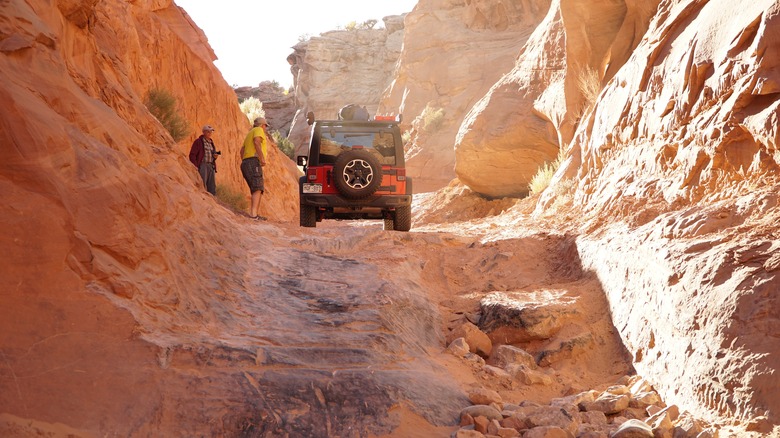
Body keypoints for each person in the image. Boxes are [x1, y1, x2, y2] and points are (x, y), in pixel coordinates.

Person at [240, 117, 270, 220]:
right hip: (253, 161)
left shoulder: (249, 133)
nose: (265, 128)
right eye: (265, 126)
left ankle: (254, 214)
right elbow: (257, 142)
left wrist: (245, 160)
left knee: (255, 188)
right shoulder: (258, 130)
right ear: (262, 125)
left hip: (245, 162)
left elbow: (242, 150)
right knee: (257, 188)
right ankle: (253, 215)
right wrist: (261, 158)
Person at [188, 125, 218, 195]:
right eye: (208, 132)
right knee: (202, 184)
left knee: (212, 186)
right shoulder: (198, 142)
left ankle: (213, 202)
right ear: (203, 132)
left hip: (211, 165)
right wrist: (195, 166)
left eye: (211, 132)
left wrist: (215, 157)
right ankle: (202, 199)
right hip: (203, 165)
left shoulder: (211, 143)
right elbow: (192, 155)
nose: (210, 133)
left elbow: (212, 154)